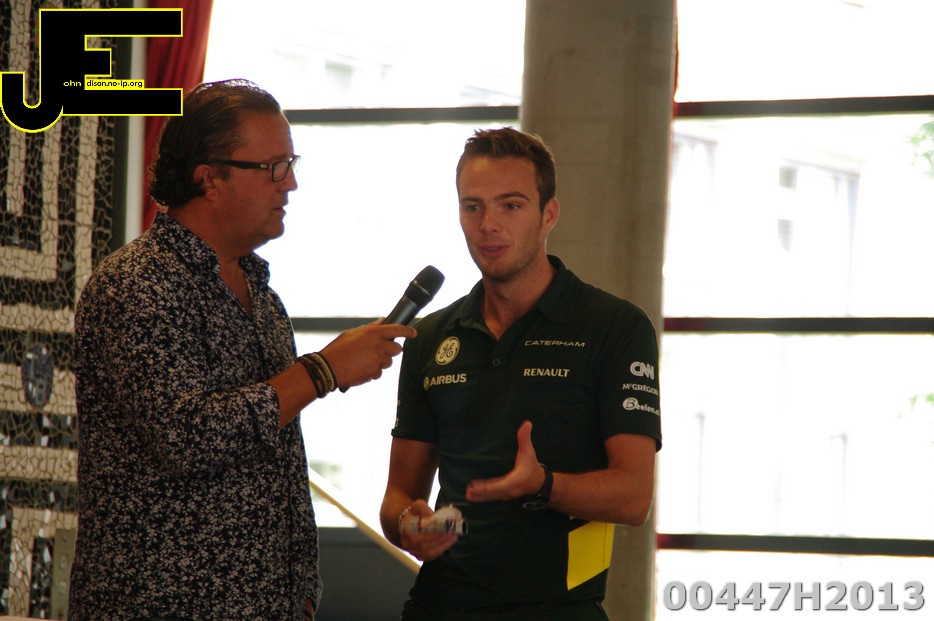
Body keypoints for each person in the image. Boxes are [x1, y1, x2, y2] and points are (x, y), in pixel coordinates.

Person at [68, 79, 416, 621]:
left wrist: (301, 589)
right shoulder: (136, 285)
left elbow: (280, 460)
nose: (291, 183)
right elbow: (186, 436)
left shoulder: (262, 295)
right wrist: (322, 370)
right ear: (208, 178)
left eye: (290, 163)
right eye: (273, 167)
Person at [379, 127, 662, 620]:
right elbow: (398, 497)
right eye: (473, 207)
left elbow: (634, 498)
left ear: (548, 214)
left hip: (558, 610)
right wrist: (409, 524)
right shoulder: (430, 336)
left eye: (510, 205)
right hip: (437, 607)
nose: (488, 224)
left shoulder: (614, 327)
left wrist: (543, 484)